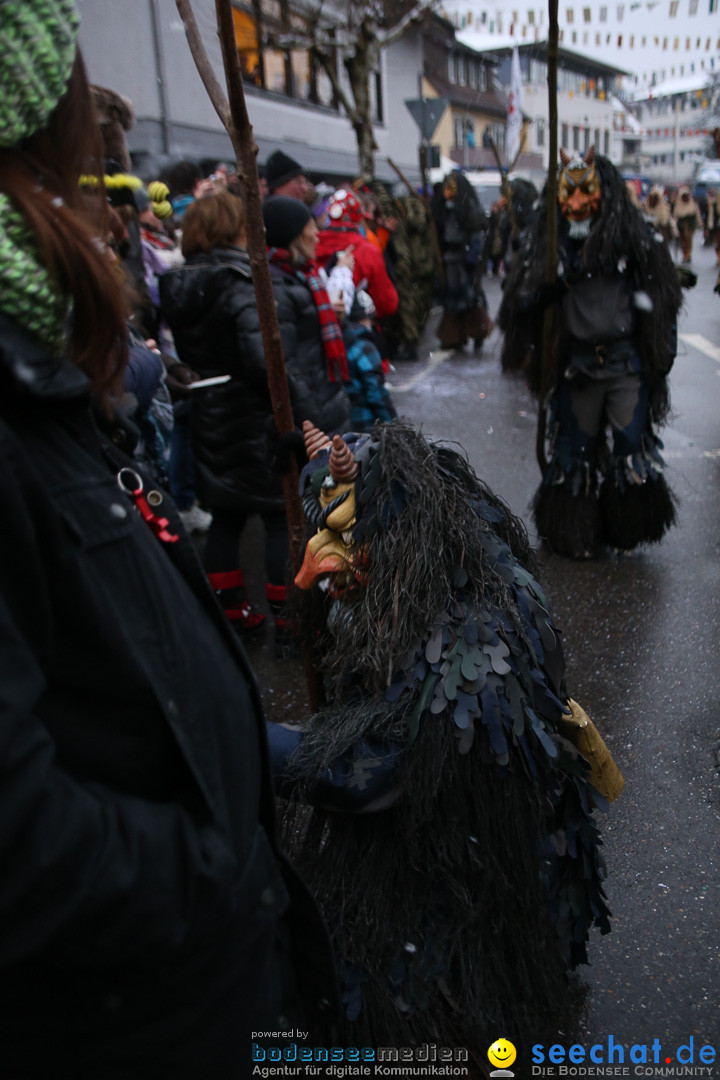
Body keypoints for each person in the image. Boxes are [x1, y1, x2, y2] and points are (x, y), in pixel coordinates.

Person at [0, 6, 337, 1076]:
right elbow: (25, 845)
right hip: (131, 1017)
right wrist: (222, 869)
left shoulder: (41, 363)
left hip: (179, 987)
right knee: (252, 537)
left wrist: (256, 750)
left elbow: (98, 664)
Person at [268, 419, 618, 1057]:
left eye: (344, 533)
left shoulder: (474, 645)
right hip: (468, 831)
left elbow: (373, 771)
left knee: (388, 985)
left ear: (397, 525)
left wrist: (249, 742)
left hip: (476, 869)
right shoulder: (452, 536)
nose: (317, 560)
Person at [499, 147, 682, 559]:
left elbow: (661, 297)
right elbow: (519, 305)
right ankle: (575, 530)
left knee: (630, 448)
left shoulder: (634, 241)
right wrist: (541, 295)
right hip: (578, 369)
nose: (578, 203)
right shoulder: (550, 248)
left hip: (624, 367)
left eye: (587, 192)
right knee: (574, 455)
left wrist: (659, 354)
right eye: (569, 193)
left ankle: (627, 525)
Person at [160, 191, 311, 642]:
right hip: (251, 418)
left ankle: (234, 613)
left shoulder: (179, 283)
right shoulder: (238, 281)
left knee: (225, 518)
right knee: (277, 518)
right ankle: (289, 616)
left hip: (209, 413)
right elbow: (260, 357)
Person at [263, 195, 352, 438]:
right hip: (314, 414)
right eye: (310, 228)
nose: (317, 234)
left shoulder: (303, 274)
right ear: (292, 235)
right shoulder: (278, 284)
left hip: (324, 399)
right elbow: (286, 363)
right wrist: (313, 420)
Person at [315, 187, 399, 320]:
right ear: (359, 218)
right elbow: (387, 303)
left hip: (320, 322)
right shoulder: (367, 250)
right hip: (357, 324)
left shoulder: (313, 244)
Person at [431, 171, 493, 351]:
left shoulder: (469, 209)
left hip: (466, 261)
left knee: (471, 297)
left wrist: (471, 260)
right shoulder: (443, 209)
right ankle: (454, 336)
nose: (447, 193)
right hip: (450, 259)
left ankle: (477, 331)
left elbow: (477, 235)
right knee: (451, 299)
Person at [340, 290, 398, 431]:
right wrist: (395, 426)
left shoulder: (336, 341)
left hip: (342, 424)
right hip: (365, 424)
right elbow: (376, 393)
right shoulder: (364, 347)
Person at [672, 184, 703, 264]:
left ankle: (688, 254)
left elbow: (697, 214)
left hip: (690, 225)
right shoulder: (678, 205)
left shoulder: (692, 204)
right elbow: (675, 216)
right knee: (682, 240)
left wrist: (700, 224)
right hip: (681, 226)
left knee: (688, 239)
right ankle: (684, 254)